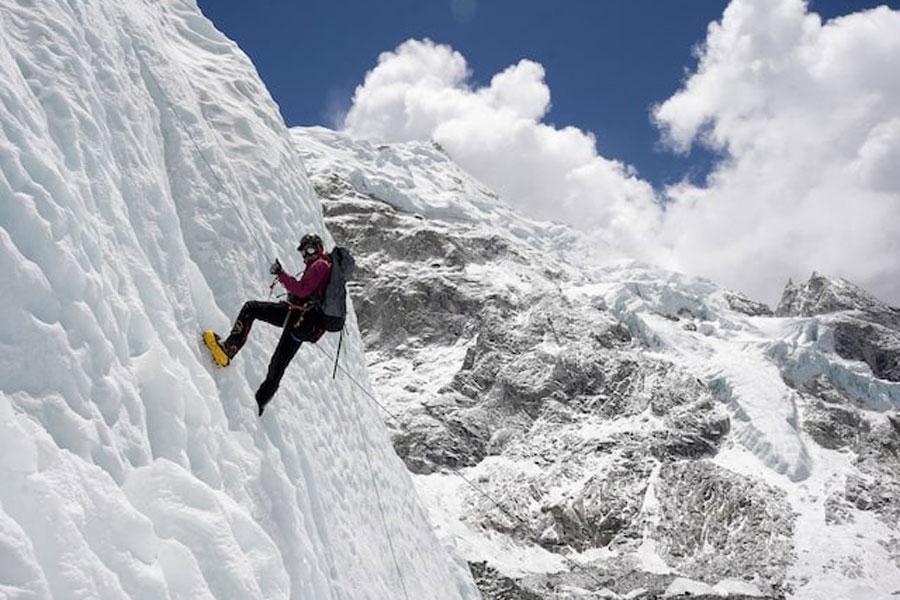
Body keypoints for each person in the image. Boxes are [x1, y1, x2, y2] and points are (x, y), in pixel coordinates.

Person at [205, 233, 332, 416]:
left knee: (251, 309)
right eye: (304, 252)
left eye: (310, 249)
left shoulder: (320, 265)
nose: (306, 254)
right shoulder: (322, 266)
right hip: (302, 321)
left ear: (319, 248)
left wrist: (281, 274)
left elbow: (302, 291)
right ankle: (260, 403)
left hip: (298, 317)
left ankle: (230, 348)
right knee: (278, 364)